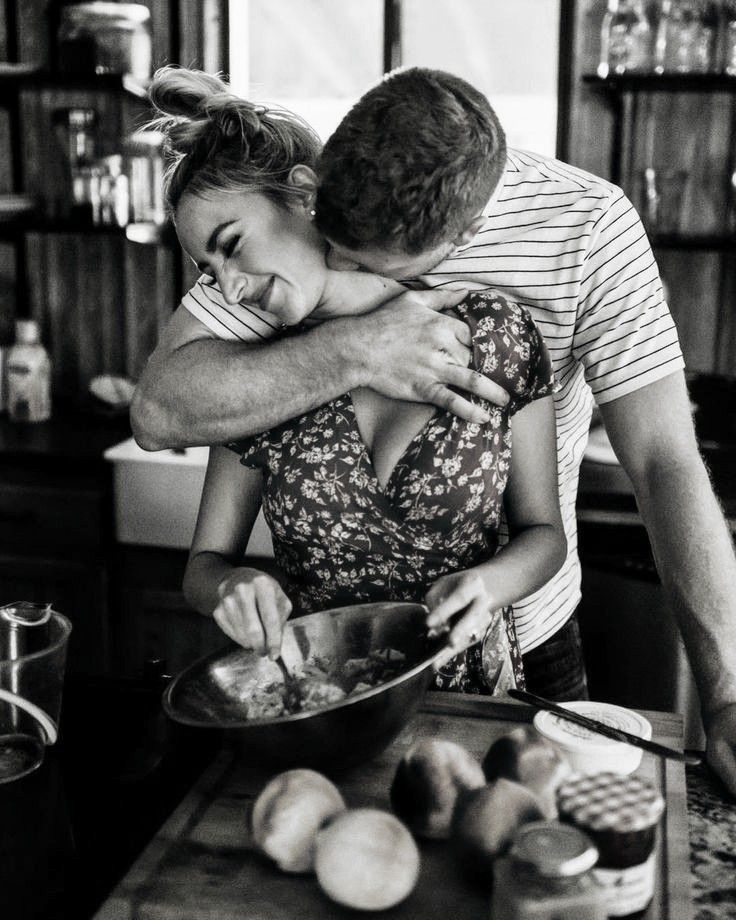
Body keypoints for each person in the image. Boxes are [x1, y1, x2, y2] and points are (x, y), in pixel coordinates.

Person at [132, 66, 736, 793]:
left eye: (368, 263)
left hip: (517, 655)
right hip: (325, 682)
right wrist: (357, 349)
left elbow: (664, 462)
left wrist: (727, 693)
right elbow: (161, 412)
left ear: (464, 238)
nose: (344, 270)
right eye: (337, 243)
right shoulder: (278, 270)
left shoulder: (575, 242)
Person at [146, 66, 567, 694]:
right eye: (208, 269)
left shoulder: (495, 333)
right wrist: (231, 586)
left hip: (470, 701)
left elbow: (544, 534)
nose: (228, 287)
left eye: (231, 246)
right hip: (315, 698)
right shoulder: (258, 372)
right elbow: (203, 566)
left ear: (302, 196)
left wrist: (490, 583)